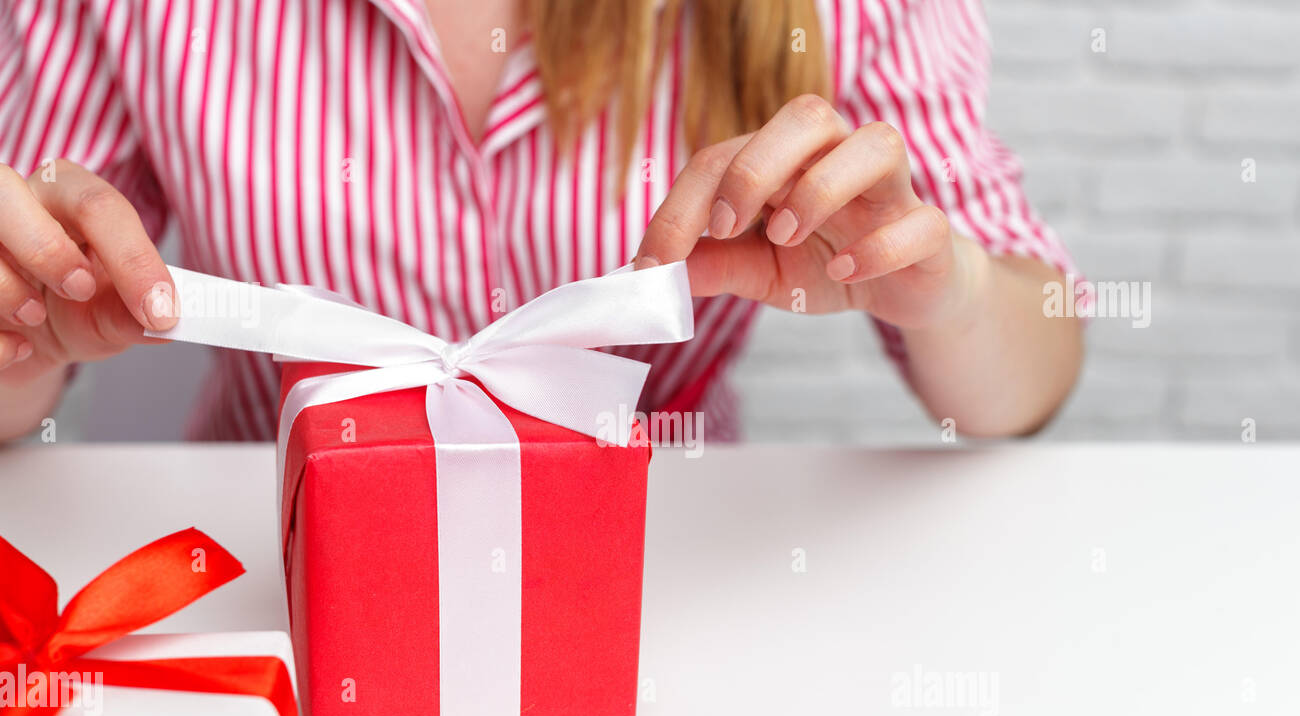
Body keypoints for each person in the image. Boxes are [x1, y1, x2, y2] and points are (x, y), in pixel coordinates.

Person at [0, 0, 1082, 443]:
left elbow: (1029, 381)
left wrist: (953, 293)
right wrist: (25, 325)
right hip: (277, 581)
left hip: (681, 590)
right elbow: (23, 336)